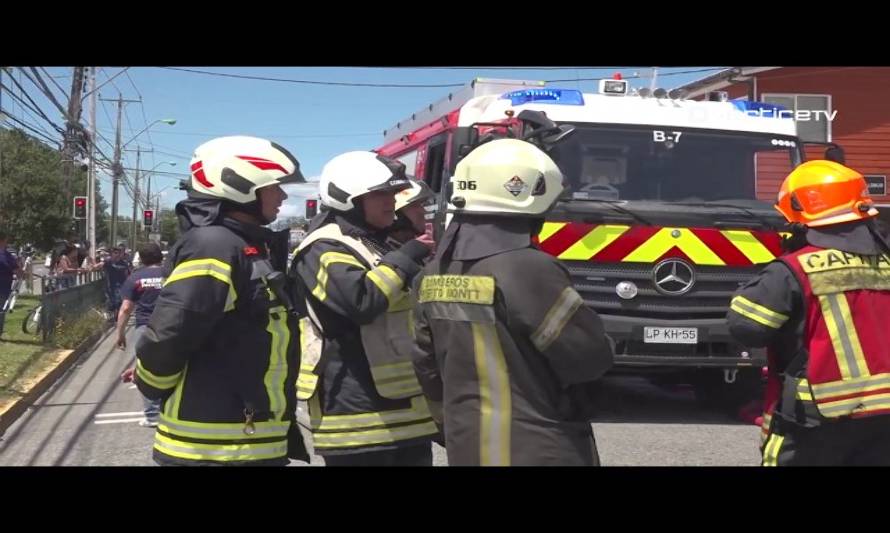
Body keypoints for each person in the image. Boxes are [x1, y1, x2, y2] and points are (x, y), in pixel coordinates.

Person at [412, 138, 614, 466]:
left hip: (467, 447)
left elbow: (426, 367)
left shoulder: (432, 274)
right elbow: (589, 360)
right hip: (539, 449)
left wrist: (450, 427)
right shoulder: (529, 269)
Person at [134, 136, 308, 466]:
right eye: (275, 186)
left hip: (243, 440)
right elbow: (172, 332)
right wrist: (150, 382)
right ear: (241, 184)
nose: (283, 196)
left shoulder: (244, 245)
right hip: (215, 447)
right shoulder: (215, 246)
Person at [727, 160, 890, 466]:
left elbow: (747, 327)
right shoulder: (885, 262)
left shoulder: (795, 269)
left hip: (816, 416)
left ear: (801, 215)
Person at [290, 151, 439, 466]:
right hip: (357, 419)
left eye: (393, 194)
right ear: (349, 200)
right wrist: (408, 255)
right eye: (380, 195)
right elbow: (361, 301)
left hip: (404, 413)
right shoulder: (324, 246)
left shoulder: (375, 242)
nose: (391, 202)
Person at [115, 242, 166, 427]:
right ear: (161, 257)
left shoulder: (135, 278)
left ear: (142, 259)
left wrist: (120, 334)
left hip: (146, 327)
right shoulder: (172, 274)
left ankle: (152, 414)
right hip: (172, 325)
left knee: (146, 368)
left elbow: (126, 307)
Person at [387, 179, 435, 246]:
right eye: (414, 205)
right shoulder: (383, 251)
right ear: (397, 214)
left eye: (422, 204)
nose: (423, 211)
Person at [0, 231, 23, 338]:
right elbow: (18, 271)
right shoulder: (6, 255)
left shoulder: (7, 255)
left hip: (3, 286)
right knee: (1, 310)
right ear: (4, 240)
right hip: (3, 287)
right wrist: (23, 273)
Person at [96, 247, 130, 319]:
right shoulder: (108, 262)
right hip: (111, 286)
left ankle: (116, 317)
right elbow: (99, 266)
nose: (117, 255)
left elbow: (127, 274)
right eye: (115, 253)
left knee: (119, 301)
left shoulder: (124, 263)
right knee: (113, 302)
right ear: (111, 254)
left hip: (122, 286)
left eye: (119, 253)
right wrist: (92, 267)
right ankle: (112, 316)